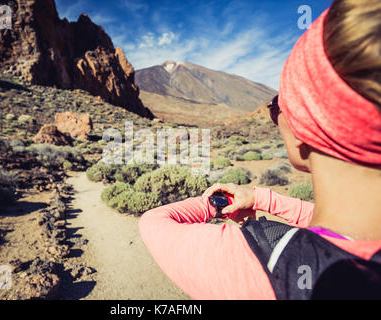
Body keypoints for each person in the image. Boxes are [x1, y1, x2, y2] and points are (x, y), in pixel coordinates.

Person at [138, 0, 381, 300]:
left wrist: (214, 205)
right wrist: (261, 198)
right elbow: (340, 233)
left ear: (301, 127)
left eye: (278, 106)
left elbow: (153, 223)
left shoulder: (261, 263)